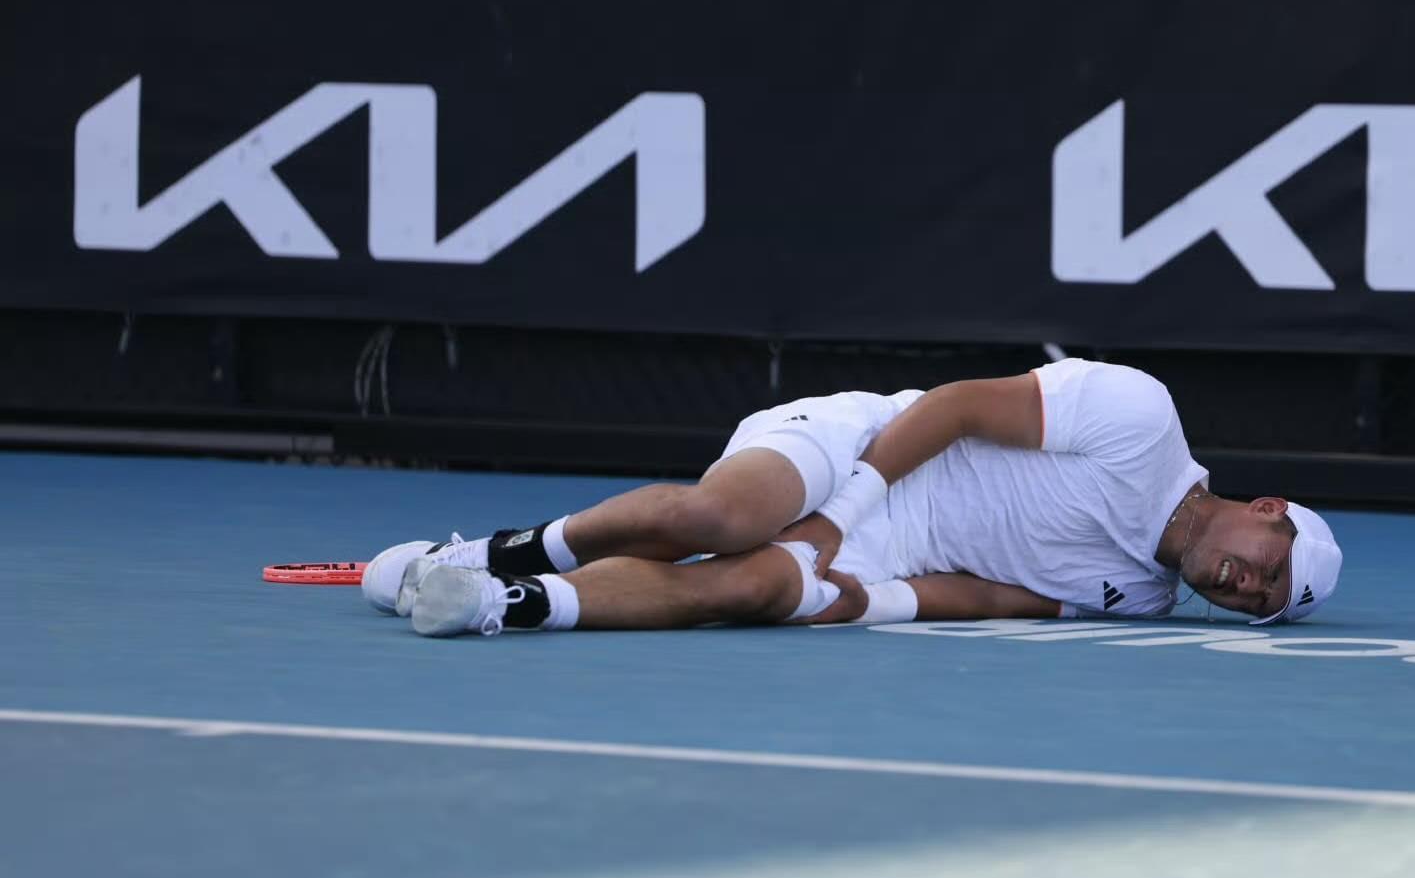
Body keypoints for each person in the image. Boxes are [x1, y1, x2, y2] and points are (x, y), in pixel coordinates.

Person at [363, 359, 1343, 638]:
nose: (1244, 587)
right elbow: (956, 406)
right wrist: (836, 517)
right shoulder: (1141, 416)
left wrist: (868, 597)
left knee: (746, 587)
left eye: (1260, 602)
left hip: (887, 553)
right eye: (1269, 568)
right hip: (861, 446)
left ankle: (498, 603)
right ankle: (495, 550)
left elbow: (992, 594)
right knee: (717, 521)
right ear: (1268, 508)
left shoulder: (1144, 598)